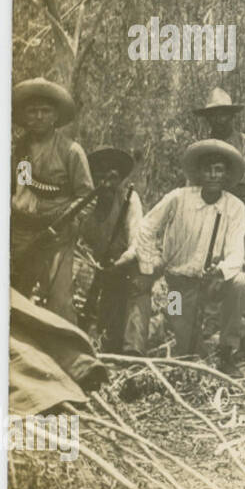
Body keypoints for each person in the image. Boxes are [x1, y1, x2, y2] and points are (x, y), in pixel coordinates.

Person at [128, 140, 245, 376]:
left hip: (212, 282)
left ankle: (227, 352)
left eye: (219, 170)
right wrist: (149, 263)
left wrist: (221, 271)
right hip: (176, 283)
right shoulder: (178, 198)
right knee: (185, 347)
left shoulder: (235, 207)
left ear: (226, 174)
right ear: (199, 173)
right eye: (208, 169)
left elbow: (236, 251)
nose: (213, 175)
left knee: (239, 283)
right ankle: (185, 342)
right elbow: (146, 227)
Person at [11, 78, 94, 321]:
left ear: (55, 116)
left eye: (45, 111)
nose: (38, 117)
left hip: (57, 235)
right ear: (24, 116)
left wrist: (69, 224)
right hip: (20, 233)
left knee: (60, 302)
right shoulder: (17, 149)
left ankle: (68, 356)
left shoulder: (71, 151)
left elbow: (87, 197)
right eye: (32, 111)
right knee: (16, 296)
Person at [79, 147, 146, 353]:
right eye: (100, 174)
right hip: (93, 265)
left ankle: (133, 347)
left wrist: (122, 261)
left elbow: (137, 242)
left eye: (112, 176)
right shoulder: (85, 199)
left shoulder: (129, 200)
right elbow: (75, 237)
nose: (106, 183)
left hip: (122, 266)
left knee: (139, 285)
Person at [194, 87, 245, 245]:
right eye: (213, 115)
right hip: (211, 202)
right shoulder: (202, 147)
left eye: (223, 114)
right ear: (208, 119)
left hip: (240, 201)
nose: (218, 120)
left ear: (232, 116)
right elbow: (193, 181)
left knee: (238, 243)